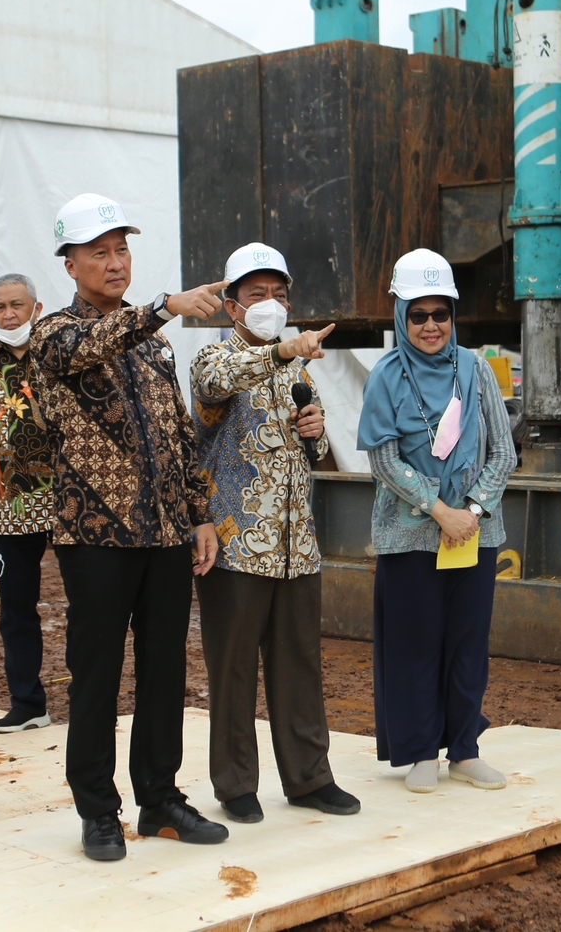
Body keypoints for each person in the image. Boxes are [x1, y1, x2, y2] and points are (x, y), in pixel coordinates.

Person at [30, 192, 229, 861]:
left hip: (166, 535)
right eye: (100, 252)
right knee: (96, 673)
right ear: (72, 264)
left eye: (122, 250)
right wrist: (165, 306)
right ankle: (97, 809)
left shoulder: (155, 348)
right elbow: (95, 341)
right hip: (96, 539)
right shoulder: (55, 333)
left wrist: (200, 515)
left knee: (166, 669)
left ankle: (160, 798)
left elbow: (179, 434)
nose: (116, 263)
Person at [190, 242, 360, 825]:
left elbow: (303, 453)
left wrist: (314, 431)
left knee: (300, 665)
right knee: (233, 669)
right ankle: (236, 783)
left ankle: (310, 778)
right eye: (257, 295)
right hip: (235, 546)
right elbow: (220, 386)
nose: (270, 303)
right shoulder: (214, 360)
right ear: (233, 308)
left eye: (279, 295)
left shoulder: (296, 367)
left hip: (295, 545)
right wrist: (283, 350)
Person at [356, 248, 517, 794]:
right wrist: (439, 510)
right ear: (401, 316)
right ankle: (422, 750)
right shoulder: (386, 377)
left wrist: (470, 512)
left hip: (474, 533)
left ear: (453, 314)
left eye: (440, 314)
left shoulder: (475, 371)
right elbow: (382, 459)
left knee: (468, 641)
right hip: (410, 536)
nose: (431, 326)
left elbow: (504, 453)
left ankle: (465, 749)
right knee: (415, 643)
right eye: (418, 315)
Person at [0, 273, 56, 734]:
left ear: (35, 308)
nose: (8, 314)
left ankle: (91, 698)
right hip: (12, 505)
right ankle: (28, 704)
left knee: (88, 604)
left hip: (70, 501)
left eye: (17, 305)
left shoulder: (61, 352)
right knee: (15, 607)